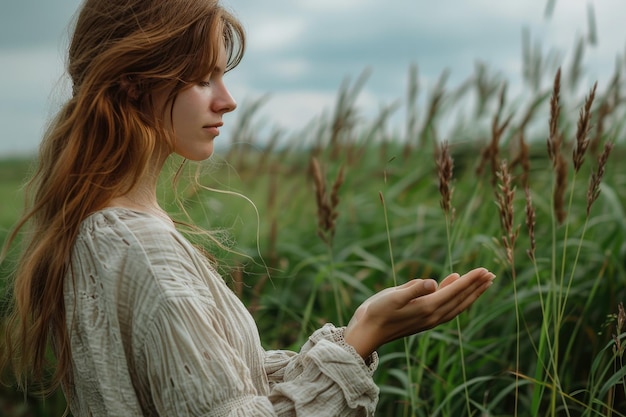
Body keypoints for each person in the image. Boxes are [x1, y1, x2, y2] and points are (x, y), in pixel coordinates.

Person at [0, 0, 496, 415]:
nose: (228, 100)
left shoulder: (111, 232)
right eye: (202, 79)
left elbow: (230, 383)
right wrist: (362, 339)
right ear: (134, 83)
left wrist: (358, 332)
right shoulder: (142, 250)